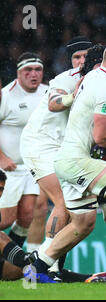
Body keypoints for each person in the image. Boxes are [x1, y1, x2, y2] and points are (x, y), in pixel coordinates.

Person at [24, 40, 106, 283]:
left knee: (83, 223)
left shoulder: (96, 80)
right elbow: (101, 136)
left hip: (66, 158)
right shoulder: (105, 88)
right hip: (72, 157)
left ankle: (37, 269)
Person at [20, 44, 104, 275]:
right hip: (41, 145)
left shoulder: (101, 82)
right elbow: (53, 103)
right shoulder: (66, 79)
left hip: (64, 150)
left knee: (77, 211)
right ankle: (45, 266)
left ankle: (50, 266)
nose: (81, 61)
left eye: (85, 57)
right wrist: (72, 97)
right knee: (63, 204)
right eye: (77, 57)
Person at [0, 52, 48, 250]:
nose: (33, 74)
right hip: (9, 168)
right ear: (19, 73)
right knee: (5, 220)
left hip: (31, 167)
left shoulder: (48, 93)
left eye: (37, 70)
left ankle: (8, 261)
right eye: (28, 70)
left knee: (28, 215)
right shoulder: (6, 95)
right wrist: (1, 158)